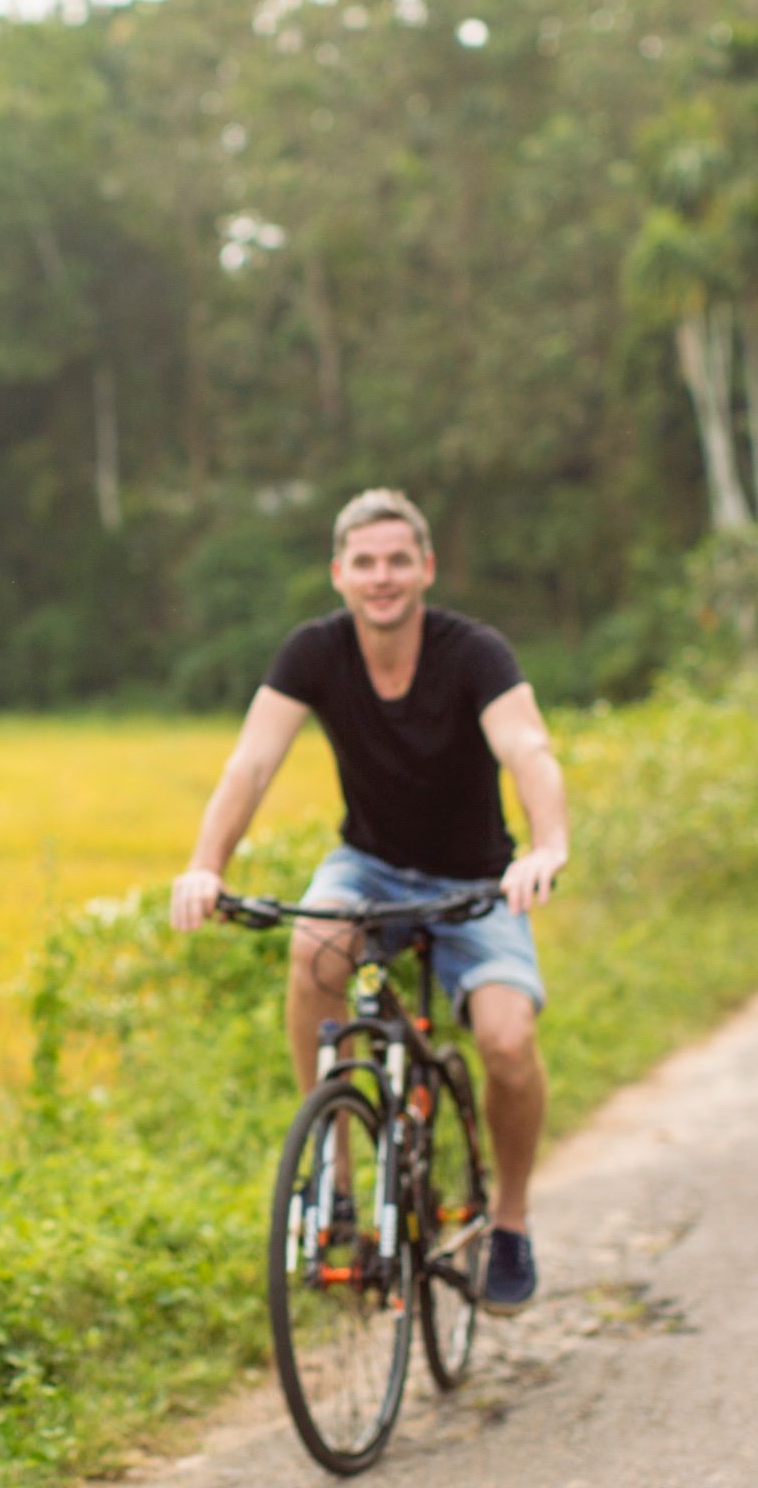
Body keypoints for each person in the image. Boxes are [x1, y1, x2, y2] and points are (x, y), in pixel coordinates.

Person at [169, 489, 572, 1314]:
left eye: (397, 561)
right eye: (364, 563)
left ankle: (513, 1222)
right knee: (315, 946)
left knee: (505, 1038)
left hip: (476, 882)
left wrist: (547, 846)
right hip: (371, 866)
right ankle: (338, 1172)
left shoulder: (475, 653)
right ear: (339, 575)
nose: (381, 577)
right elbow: (250, 764)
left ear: (425, 568)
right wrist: (206, 866)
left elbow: (527, 745)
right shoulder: (313, 653)